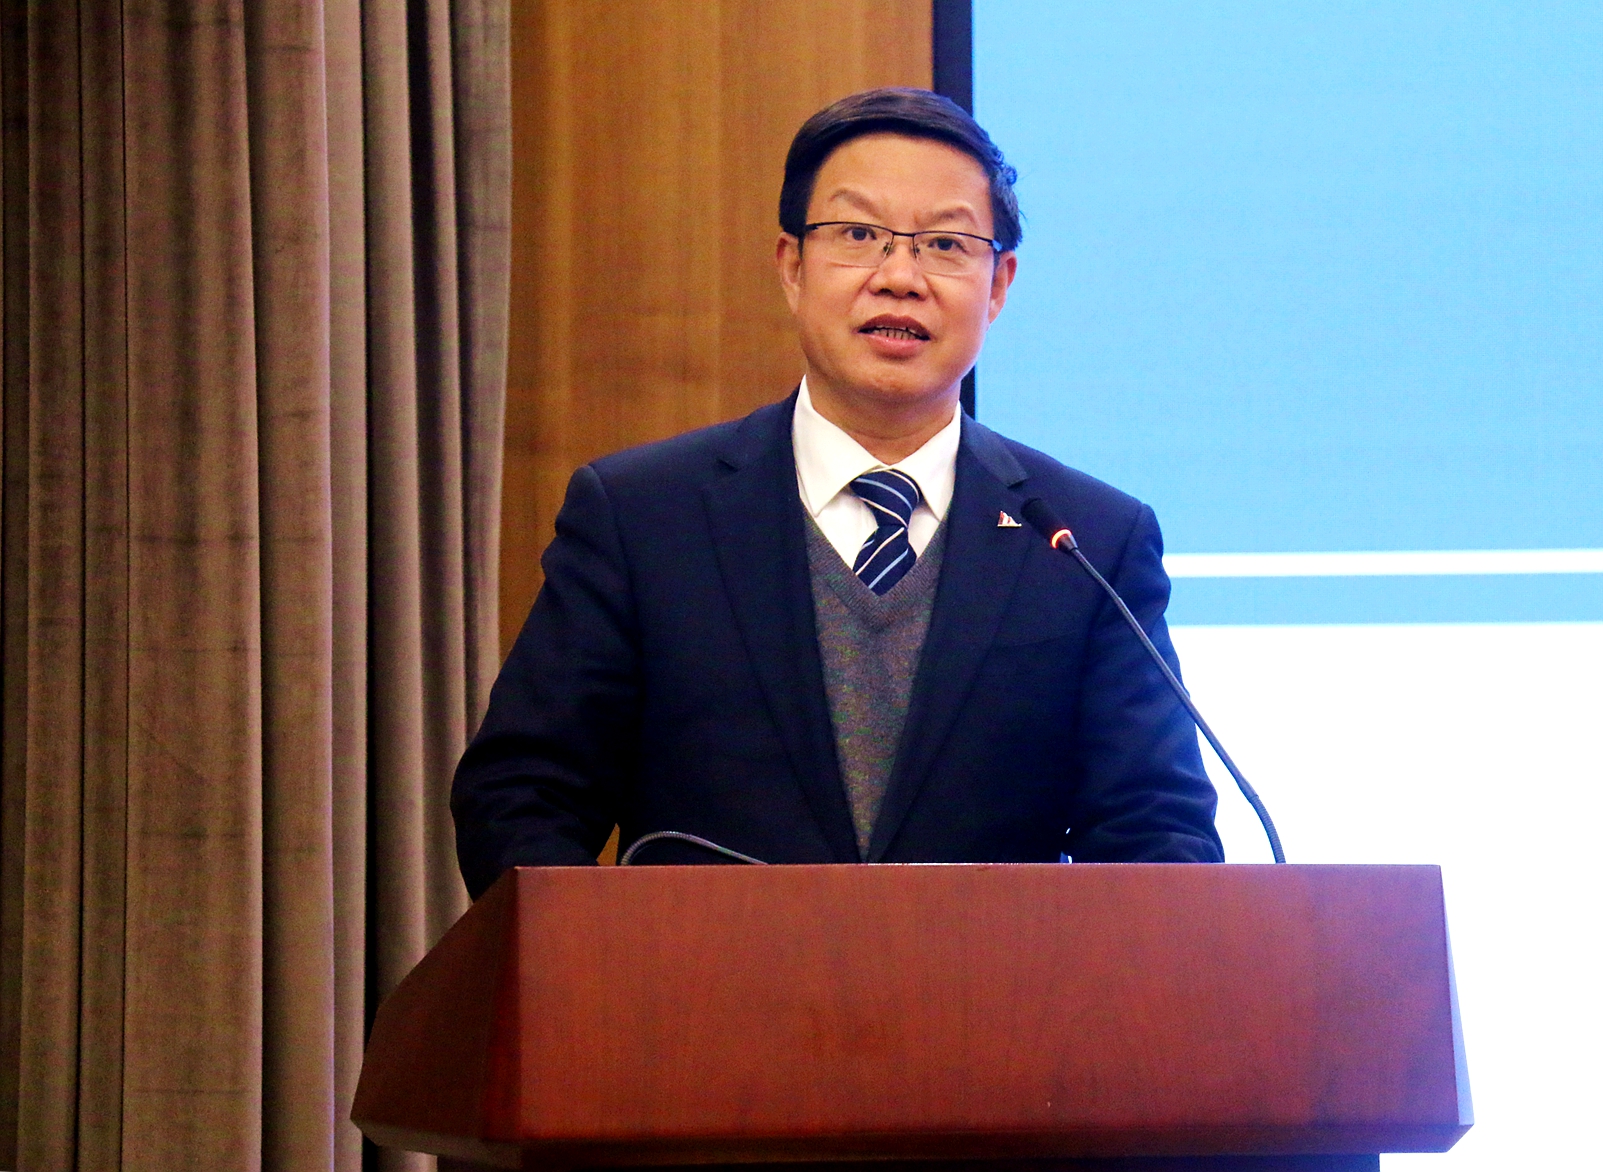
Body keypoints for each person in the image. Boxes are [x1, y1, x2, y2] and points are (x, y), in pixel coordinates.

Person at [451, 88, 1222, 898]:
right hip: (701, 982)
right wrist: (614, 966)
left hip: (995, 984)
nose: (899, 278)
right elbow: (520, 799)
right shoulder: (644, 517)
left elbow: (1158, 830)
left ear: (998, 286)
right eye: (858, 235)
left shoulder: (1087, 539)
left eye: (946, 244)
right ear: (792, 266)